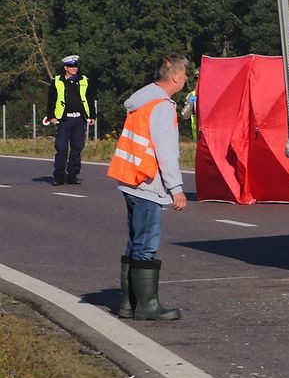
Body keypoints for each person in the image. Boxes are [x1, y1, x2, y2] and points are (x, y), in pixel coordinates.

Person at [107, 53, 190, 321]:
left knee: (135, 241)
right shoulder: (162, 106)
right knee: (146, 244)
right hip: (148, 182)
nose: (186, 78)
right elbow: (165, 151)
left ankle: (128, 304)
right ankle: (146, 306)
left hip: (132, 180)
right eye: (185, 74)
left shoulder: (143, 99)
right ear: (176, 76)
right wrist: (176, 188)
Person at [43, 54, 97, 185]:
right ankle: (59, 176)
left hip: (79, 119)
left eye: (76, 66)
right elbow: (51, 101)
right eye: (72, 66)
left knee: (77, 147)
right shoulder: (57, 81)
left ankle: (72, 175)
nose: (74, 69)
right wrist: (51, 117)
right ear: (65, 68)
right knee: (61, 148)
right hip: (64, 120)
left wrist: (92, 116)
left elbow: (89, 99)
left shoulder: (85, 80)